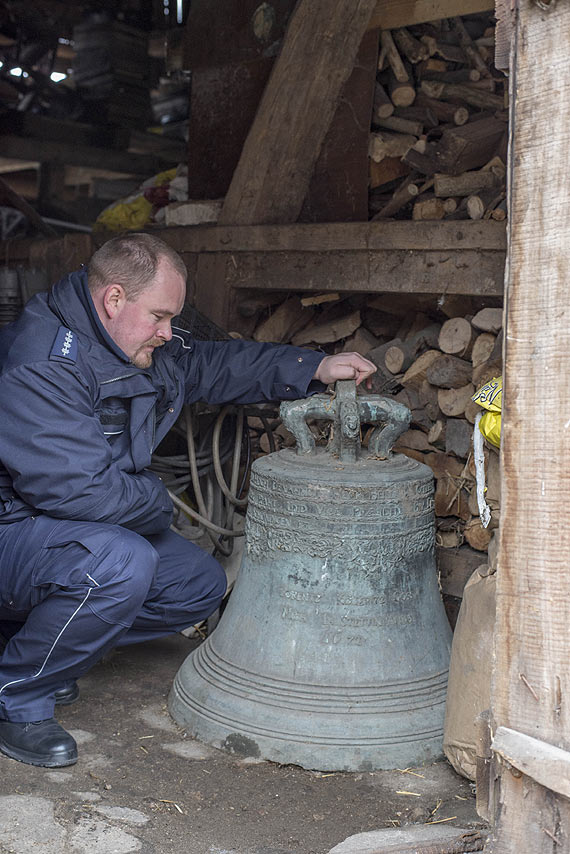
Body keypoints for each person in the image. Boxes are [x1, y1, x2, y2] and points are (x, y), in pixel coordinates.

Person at [0, 232, 375, 768]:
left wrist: (313, 368)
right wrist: (156, 501)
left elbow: (216, 364)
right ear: (113, 300)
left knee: (194, 586)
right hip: (16, 525)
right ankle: (17, 693)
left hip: (71, 526)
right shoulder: (44, 362)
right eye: (159, 316)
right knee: (121, 564)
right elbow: (77, 493)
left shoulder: (132, 341)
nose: (167, 331)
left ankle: (32, 643)